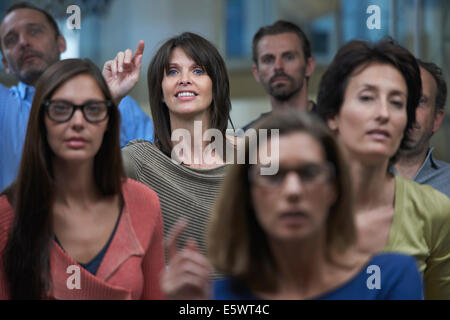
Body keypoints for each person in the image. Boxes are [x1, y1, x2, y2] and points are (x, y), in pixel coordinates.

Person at [162, 110, 423, 300]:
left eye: (309, 173)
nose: (293, 191)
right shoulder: (217, 298)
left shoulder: (387, 279)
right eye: (273, 176)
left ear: (333, 188)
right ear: (248, 194)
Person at [0, 59, 165, 300]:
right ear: (40, 120)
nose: (78, 122)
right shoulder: (7, 215)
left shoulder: (144, 203)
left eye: (93, 109)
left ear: (108, 122)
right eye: (60, 109)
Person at [316, 39, 450, 299]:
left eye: (397, 103)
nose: (384, 113)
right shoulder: (293, 198)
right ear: (333, 115)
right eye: (367, 98)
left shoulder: (434, 210)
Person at [0, 2, 154, 192]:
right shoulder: (4, 107)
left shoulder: (121, 105)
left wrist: (106, 100)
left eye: (34, 31)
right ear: (5, 62)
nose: (23, 42)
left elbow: (152, 171)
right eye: (11, 40)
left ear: (61, 43)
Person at [118, 32, 234, 257]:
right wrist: (108, 97)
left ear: (215, 86)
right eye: (172, 72)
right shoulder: (139, 159)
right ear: (161, 92)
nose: (184, 79)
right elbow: (80, 180)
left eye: (198, 70)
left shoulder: (251, 157)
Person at [242, 20, 316, 131]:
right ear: (256, 72)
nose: (278, 66)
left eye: (289, 57)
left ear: (308, 66)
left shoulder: (335, 128)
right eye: (268, 59)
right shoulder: (247, 139)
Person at [392, 60, 450, 197]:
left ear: (436, 119)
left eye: (420, 101)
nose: (409, 111)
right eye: (398, 100)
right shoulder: (352, 181)